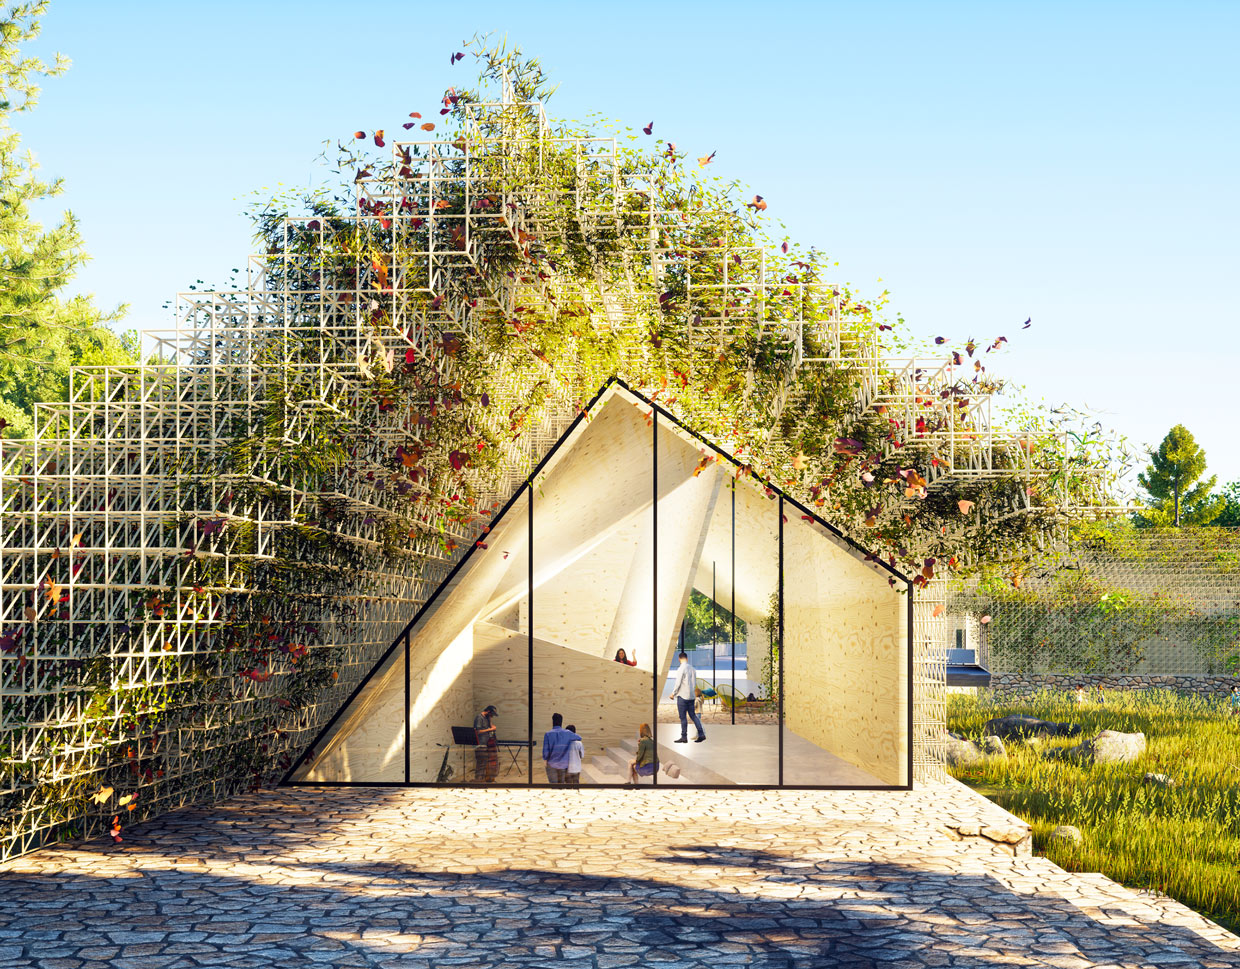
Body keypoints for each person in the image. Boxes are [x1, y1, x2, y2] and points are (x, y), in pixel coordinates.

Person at [669, 650, 705, 743]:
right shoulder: (692, 668)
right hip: (691, 696)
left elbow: (678, 683)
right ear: (687, 658)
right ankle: (701, 734)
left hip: (682, 696)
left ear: (679, 659)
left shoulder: (681, 669)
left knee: (683, 717)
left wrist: (673, 693)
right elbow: (694, 683)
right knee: (693, 715)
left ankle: (684, 737)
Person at [541, 713, 581, 784]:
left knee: (554, 785)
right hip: (564, 765)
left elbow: (545, 753)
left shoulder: (548, 734)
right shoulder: (567, 733)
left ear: (552, 721)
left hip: (551, 764)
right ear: (561, 722)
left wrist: (546, 759)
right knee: (562, 785)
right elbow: (579, 738)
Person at [473, 704, 498, 783]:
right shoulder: (479, 718)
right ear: (488, 711)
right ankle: (478, 780)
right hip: (480, 744)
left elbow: (490, 727)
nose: (492, 716)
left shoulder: (487, 718)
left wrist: (490, 721)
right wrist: (490, 729)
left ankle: (484, 779)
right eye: (491, 714)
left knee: (485, 763)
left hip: (486, 743)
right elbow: (478, 731)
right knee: (481, 763)